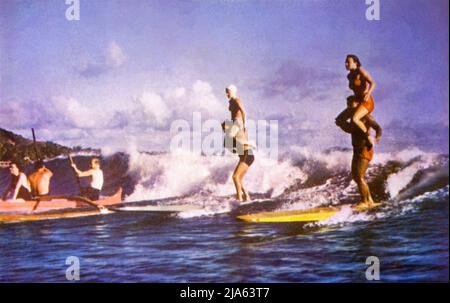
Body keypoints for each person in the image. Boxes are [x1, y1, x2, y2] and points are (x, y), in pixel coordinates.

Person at [336, 96, 382, 208]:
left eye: (351, 104)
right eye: (347, 105)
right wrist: (342, 120)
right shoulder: (353, 119)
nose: (349, 107)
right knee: (356, 176)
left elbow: (378, 127)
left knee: (359, 176)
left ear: (357, 104)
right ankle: (369, 200)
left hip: (365, 149)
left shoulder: (365, 116)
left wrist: (377, 137)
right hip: (356, 149)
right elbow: (341, 122)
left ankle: (364, 201)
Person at [339, 54, 377, 147]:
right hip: (357, 101)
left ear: (355, 63)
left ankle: (368, 138)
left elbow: (373, 83)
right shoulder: (349, 76)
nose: (346, 64)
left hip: (366, 101)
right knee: (339, 120)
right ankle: (356, 130)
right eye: (345, 62)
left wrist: (368, 93)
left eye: (348, 62)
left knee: (355, 119)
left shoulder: (360, 70)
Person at [225, 84, 255, 202]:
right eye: (226, 92)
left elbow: (244, 112)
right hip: (247, 155)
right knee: (239, 179)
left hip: (248, 153)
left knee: (235, 177)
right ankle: (247, 197)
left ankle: (239, 199)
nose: (226, 94)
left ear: (232, 91)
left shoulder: (237, 100)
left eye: (228, 92)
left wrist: (245, 125)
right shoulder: (230, 102)